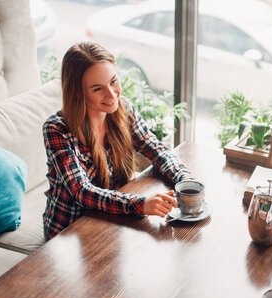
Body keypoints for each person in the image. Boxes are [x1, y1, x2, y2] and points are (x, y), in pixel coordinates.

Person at [42, 42, 191, 239]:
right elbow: (82, 192)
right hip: (69, 232)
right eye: (97, 89)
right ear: (78, 91)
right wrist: (142, 204)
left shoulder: (125, 111)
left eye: (113, 81)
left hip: (113, 219)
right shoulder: (57, 129)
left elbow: (157, 150)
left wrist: (184, 179)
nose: (112, 95)